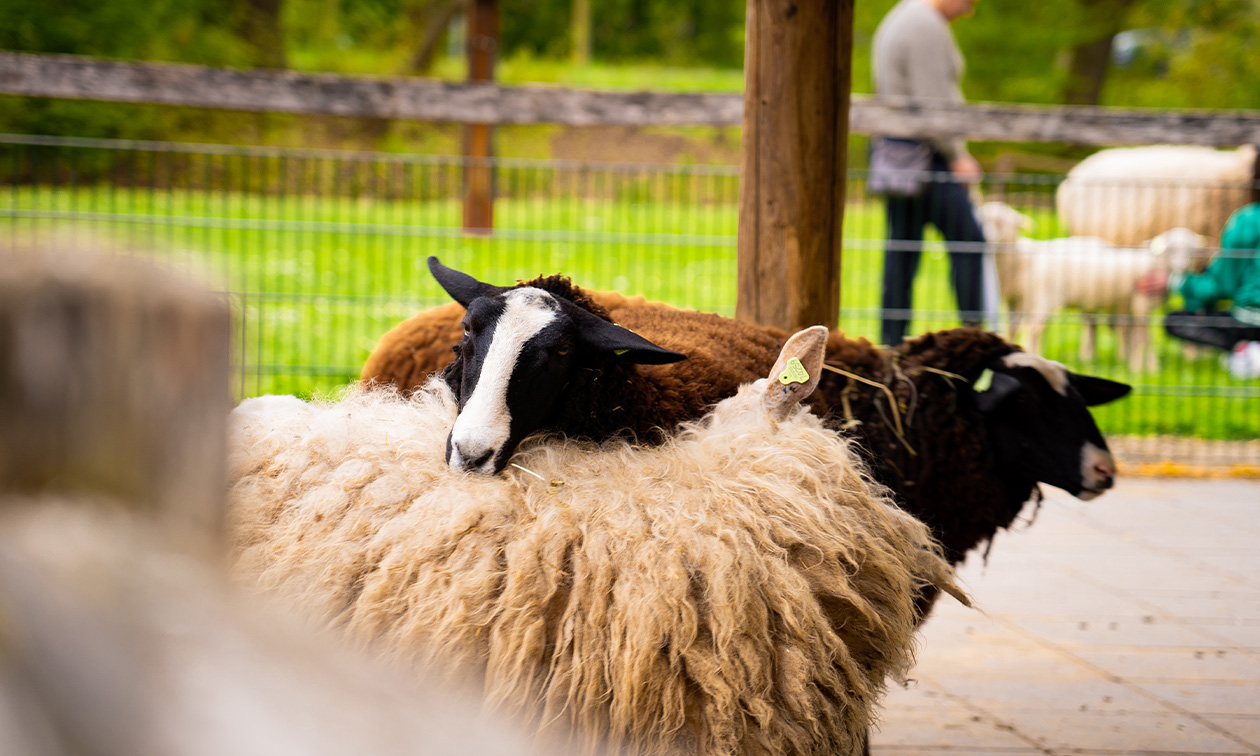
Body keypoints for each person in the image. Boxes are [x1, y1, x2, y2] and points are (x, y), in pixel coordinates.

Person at [871, 0, 987, 347]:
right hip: (927, 156)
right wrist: (957, 155)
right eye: (967, 1)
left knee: (903, 250)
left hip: (897, 155)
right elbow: (934, 101)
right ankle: (977, 340)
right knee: (969, 242)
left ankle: (890, 345)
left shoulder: (903, 16)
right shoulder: (925, 25)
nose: (969, 10)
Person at [1137, 148, 1260, 379]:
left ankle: (1244, 350)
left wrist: (1175, 281)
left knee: (1176, 320)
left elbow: (1222, 287)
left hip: (1250, 320)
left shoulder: (1247, 220)